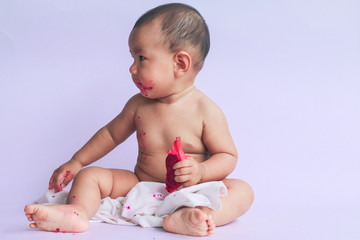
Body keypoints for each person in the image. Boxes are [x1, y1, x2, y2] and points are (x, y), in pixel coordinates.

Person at [24, 3, 254, 237]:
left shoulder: (206, 111)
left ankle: (193, 216)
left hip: (190, 190)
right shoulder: (138, 105)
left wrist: (201, 171)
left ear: (180, 64)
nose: (132, 68)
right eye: (133, 57)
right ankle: (77, 212)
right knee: (90, 176)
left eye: (141, 57)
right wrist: (77, 161)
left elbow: (227, 156)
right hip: (141, 184)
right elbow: (110, 135)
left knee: (243, 191)